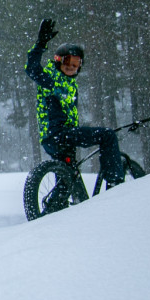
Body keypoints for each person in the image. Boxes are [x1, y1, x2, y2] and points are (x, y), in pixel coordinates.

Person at [25, 18, 124, 186]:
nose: (71, 66)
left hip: (57, 139)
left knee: (69, 181)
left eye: (76, 63)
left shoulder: (70, 84)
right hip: (59, 135)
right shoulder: (51, 79)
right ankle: (115, 183)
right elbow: (32, 69)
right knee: (107, 135)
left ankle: (59, 209)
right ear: (58, 60)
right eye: (67, 61)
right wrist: (41, 43)